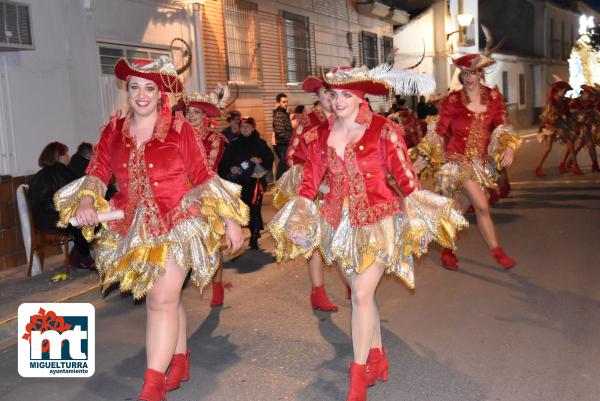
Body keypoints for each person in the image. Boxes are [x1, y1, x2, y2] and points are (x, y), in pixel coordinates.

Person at [54, 55, 247, 401]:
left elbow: (203, 176)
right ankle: (180, 359)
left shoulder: (178, 128)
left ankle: (152, 385)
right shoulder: (113, 130)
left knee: (160, 299)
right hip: (134, 227)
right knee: (167, 300)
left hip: (178, 222)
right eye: (134, 88)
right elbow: (97, 172)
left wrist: (230, 218)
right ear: (126, 91)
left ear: (161, 94)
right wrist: (86, 202)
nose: (141, 95)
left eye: (149, 88)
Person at [269, 64, 467, 401]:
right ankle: (377, 357)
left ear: (361, 97)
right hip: (338, 226)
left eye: (347, 94)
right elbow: (309, 182)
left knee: (360, 295)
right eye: (335, 94)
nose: (339, 100)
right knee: (363, 296)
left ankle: (358, 375)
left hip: (379, 223)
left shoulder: (384, 129)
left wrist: (420, 207)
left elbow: (404, 177)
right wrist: (301, 209)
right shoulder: (320, 135)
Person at [413, 51, 522, 271]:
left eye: (473, 72)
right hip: (455, 160)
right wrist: (423, 157)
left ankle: (447, 251)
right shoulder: (453, 100)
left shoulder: (492, 97)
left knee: (459, 208)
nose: (469, 77)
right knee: (481, 206)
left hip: (479, 164)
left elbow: (501, 125)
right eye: (465, 73)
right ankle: (497, 251)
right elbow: (440, 130)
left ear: (480, 73)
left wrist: (509, 147)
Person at [272, 76, 340, 312]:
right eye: (325, 93)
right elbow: (293, 157)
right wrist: (317, 185)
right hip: (317, 190)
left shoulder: (346, 117)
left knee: (348, 233)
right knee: (317, 242)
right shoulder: (307, 121)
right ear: (317, 97)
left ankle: (354, 277)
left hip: (345, 190)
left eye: (333, 93)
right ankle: (318, 290)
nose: (330, 98)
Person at [178, 89, 230, 307]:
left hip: (206, 193)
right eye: (189, 112)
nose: (191, 116)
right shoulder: (176, 134)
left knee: (213, 243)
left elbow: (208, 166)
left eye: (196, 113)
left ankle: (217, 285)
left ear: (204, 116)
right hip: (179, 193)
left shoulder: (213, 138)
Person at [29, 142, 94, 269]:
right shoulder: (61, 172)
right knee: (88, 220)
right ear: (59, 156)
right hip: (54, 219)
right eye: (66, 154)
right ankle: (82, 256)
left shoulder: (39, 175)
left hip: (43, 219)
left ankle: (78, 256)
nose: (69, 157)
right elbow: (72, 196)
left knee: (85, 219)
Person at [219, 117, 274, 250]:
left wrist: (259, 160)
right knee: (242, 209)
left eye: (248, 126)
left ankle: (254, 235)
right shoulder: (234, 143)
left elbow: (269, 158)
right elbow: (225, 161)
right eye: (243, 126)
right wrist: (231, 168)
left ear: (253, 128)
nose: (245, 129)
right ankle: (242, 232)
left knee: (255, 208)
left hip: (255, 183)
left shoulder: (260, 143)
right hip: (238, 183)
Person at [534, 81, 574, 177]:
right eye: (564, 91)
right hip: (551, 125)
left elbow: (566, 114)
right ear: (558, 90)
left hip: (559, 124)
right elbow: (552, 115)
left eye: (565, 91)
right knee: (549, 148)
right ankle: (538, 167)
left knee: (570, 143)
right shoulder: (551, 101)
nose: (565, 93)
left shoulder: (562, 100)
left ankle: (564, 164)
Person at [272, 93, 293, 179]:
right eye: (283, 102)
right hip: (282, 144)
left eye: (287, 101)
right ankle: (278, 184)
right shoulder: (279, 114)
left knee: (285, 163)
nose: (286, 103)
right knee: (283, 163)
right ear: (278, 103)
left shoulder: (284, 113)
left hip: (285, 143)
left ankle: (282, 184)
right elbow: (280, 131)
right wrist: (291, 139)